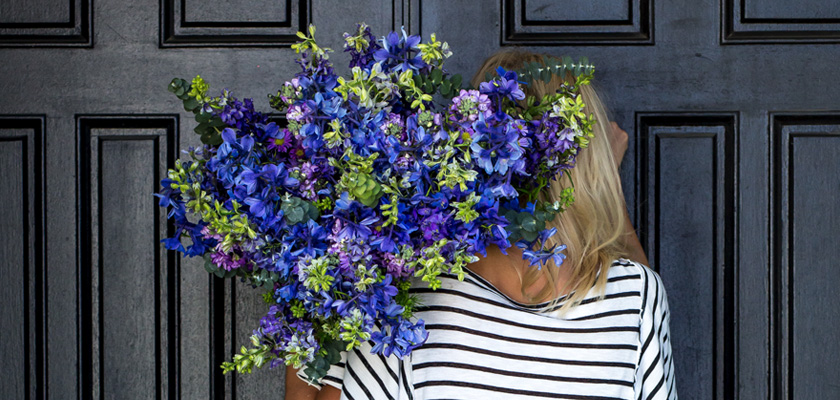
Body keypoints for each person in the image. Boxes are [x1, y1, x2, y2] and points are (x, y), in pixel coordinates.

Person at [285, 49, 677, 400]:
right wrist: (608, 187)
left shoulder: (406, 301)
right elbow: (629, 286)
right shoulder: (637, 297)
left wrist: (310, 266)